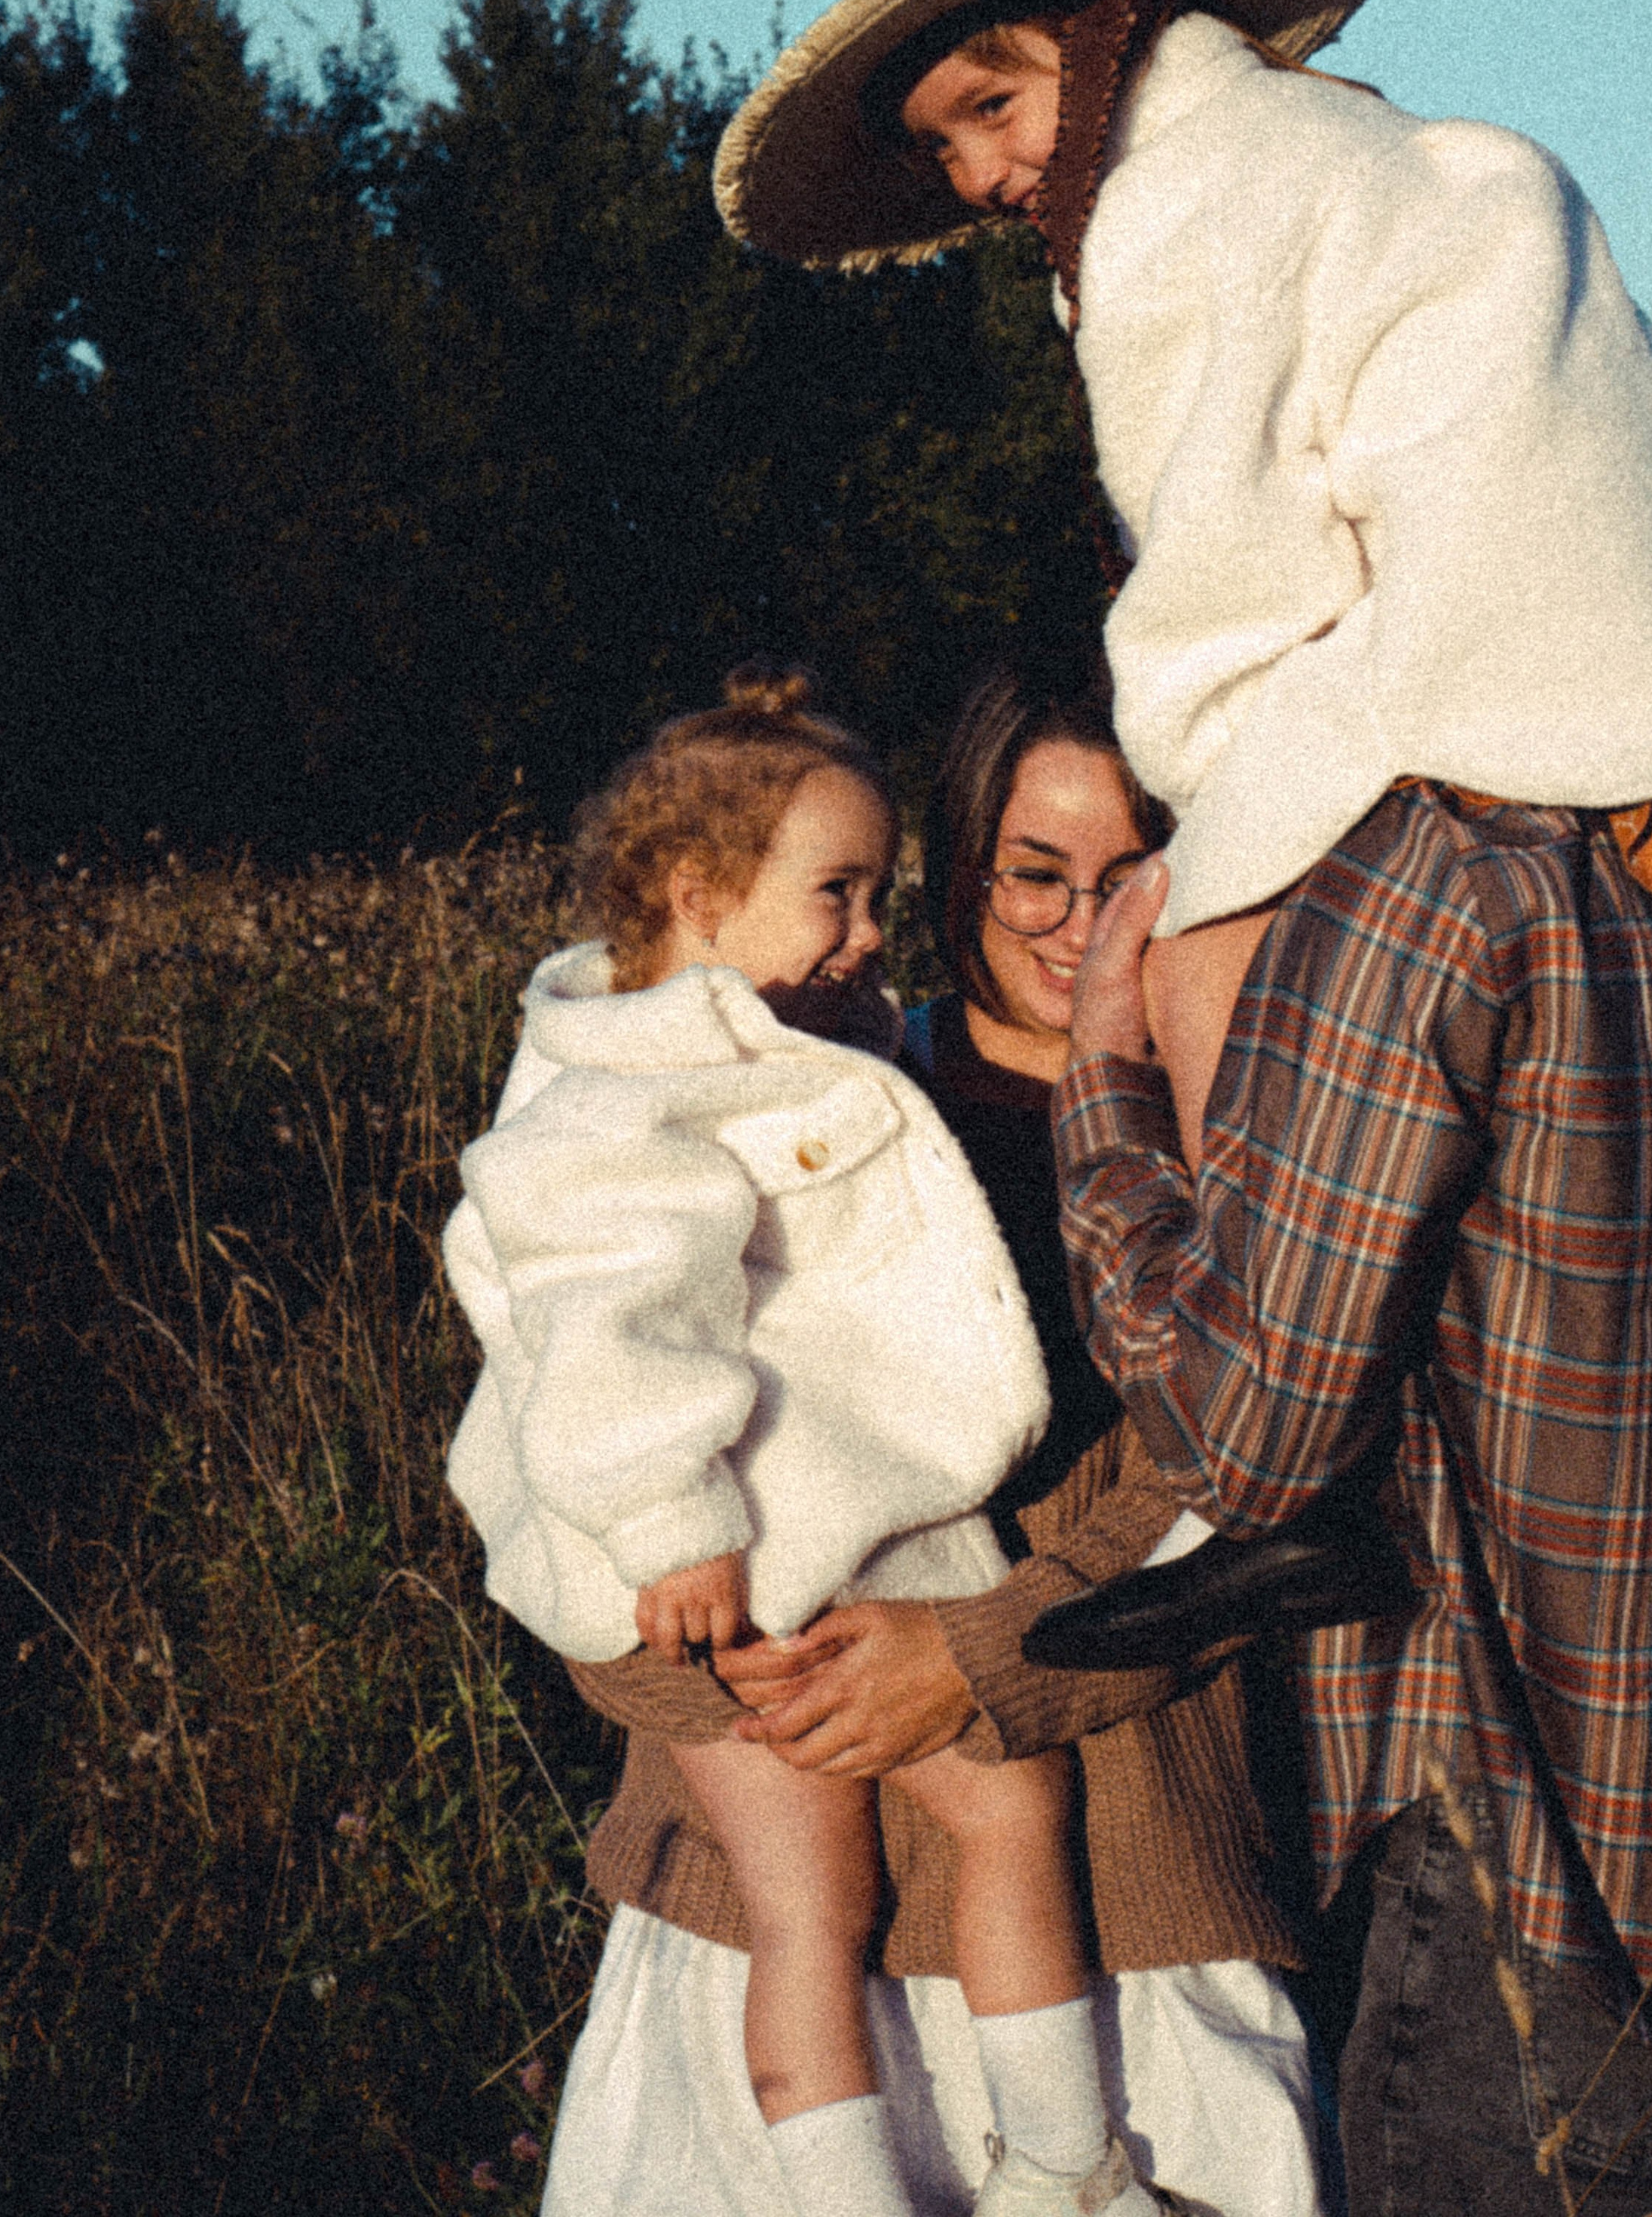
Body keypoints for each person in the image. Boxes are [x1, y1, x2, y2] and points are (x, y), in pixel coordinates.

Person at [710, 0, 1652, 2211]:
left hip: (1522, 1862)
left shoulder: (1422, 894)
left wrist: (1133, 1079)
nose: (980, 178)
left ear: (1113, 43)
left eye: (991, 109)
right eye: (943, 144)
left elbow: (1260, 1426)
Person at [516, 657, 1327, 2217]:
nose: (1080, 923)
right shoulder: (792, 1090)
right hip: (766, 1922)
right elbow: (564, 1434)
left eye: (1133, 879)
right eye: (1033, 872)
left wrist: (979, 1651)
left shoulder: (1251, 1128)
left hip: (1113, 1905)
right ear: (960, 866)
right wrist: (708, 1660)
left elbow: (1249, 1497)